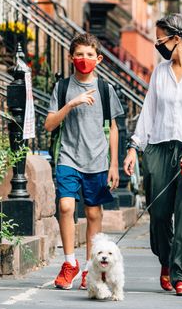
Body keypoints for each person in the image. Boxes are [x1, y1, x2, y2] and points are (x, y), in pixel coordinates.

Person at [123, 13, 182, 297]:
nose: (157, 43)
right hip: (160, 148)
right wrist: (133, 147)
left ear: (177, 38)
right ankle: (166, 259)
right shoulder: (160, 72)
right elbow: (149, 111)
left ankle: (181, 274)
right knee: (160, 213)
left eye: (161, 38)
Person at [44, 33, 124, 291]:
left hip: (98, 160)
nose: (84, 59)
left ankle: (89, 268)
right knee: (66, 206)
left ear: (98, 59)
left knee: (93, 214)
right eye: (79, 54)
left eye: (89, 55)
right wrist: (71, 104)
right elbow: (49, 124)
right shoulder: (62, 88)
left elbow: (113, 128)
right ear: (70, 58)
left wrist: (114, 165)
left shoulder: (105, 89)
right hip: (68, 156)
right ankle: (69, 263)